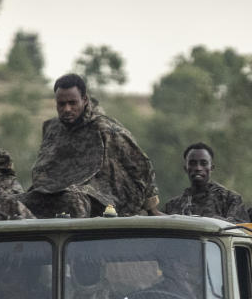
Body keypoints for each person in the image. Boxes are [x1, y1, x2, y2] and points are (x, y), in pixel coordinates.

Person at [24, 73, 161, 218]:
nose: (67, 109)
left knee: (73, 200)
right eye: (61, 104)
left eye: (72, 103)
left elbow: (140, 164)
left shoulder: (105, 128)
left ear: (84, 100)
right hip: (54, 192)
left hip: (103, 198)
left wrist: (151, 208)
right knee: (8, 202)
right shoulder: (51, 129)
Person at [161, 143, 249, 222]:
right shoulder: (172, 205)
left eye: (203, 163)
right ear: (185, 168)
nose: (198, 168)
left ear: (212, 168)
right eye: (192, 163)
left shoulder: (230, 200)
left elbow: (241, 230)